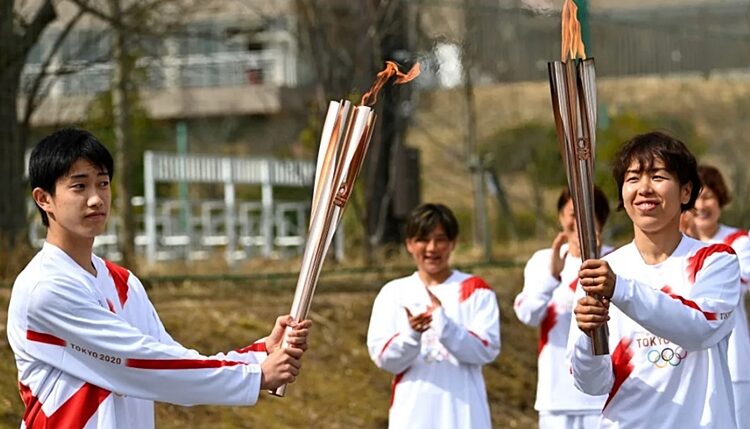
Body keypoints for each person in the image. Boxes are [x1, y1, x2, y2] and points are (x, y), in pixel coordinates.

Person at [6, 128, 312, 429]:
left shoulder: (123, 283)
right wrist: (255, 376)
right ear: (43, 199)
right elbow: (139, 363)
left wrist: (258, 355)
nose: (96, 199)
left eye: (103, 183)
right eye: (79, 187)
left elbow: (173, 362)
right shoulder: (44, 289)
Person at [569, 131, 741, 428]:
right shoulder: (603, 270)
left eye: (658, 176)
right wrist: (588, 337)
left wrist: (619, 289)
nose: (644, 188)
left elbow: (700, 328)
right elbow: (593, 384)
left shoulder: (715, 261)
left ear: (686, 192)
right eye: (633, 178)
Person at [366, 203, 501, 429]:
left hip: (465, 416)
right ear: (409, 244)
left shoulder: (476, 289)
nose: (432, 248)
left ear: (453, 243)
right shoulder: (394, 293)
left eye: (440, 239)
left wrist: (443, 324)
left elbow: (486, 350)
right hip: (412, 416)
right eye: (423, 240)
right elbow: (383, 358)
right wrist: (411, 334)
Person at [514, 186, 611, 429]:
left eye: (588, 213)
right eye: (573, 214)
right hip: (556, 395)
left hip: (605, 395)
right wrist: (551, 277)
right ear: (560, 217)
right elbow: (528, 315)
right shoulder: (542, 261)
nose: (580, 222)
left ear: (601, 220)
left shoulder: (617, 261)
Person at [680, 164, 750, 427]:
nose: (701, 205)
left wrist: (696, 241)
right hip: (690, 364)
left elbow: (733, 289)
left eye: (708, 196)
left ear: (720, 199)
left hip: (734, 362)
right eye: (696, 197)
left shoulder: (739, 241)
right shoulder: (676, 247)